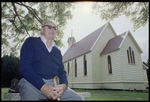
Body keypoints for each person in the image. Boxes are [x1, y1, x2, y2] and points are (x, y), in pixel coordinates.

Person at [18, 20, 84, 101]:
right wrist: (43, 86)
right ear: (42, 30)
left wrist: (63, 85)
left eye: (54, 28)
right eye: (49, 27)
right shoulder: (31, 42)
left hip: (54, 86)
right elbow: (25, 67)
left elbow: (62, 72)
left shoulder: (57, 51)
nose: (52, 29)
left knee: (78, 99)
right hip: (31, 83)